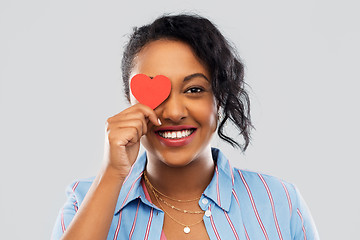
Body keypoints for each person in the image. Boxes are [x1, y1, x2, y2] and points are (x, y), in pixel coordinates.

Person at [52, 14, 319, 240]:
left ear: (220, 98)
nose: (174, 113)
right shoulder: (83, 201)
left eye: (194, 89)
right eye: (156, 94)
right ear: (129, 101)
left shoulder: (280, 203)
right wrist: (112, 174)